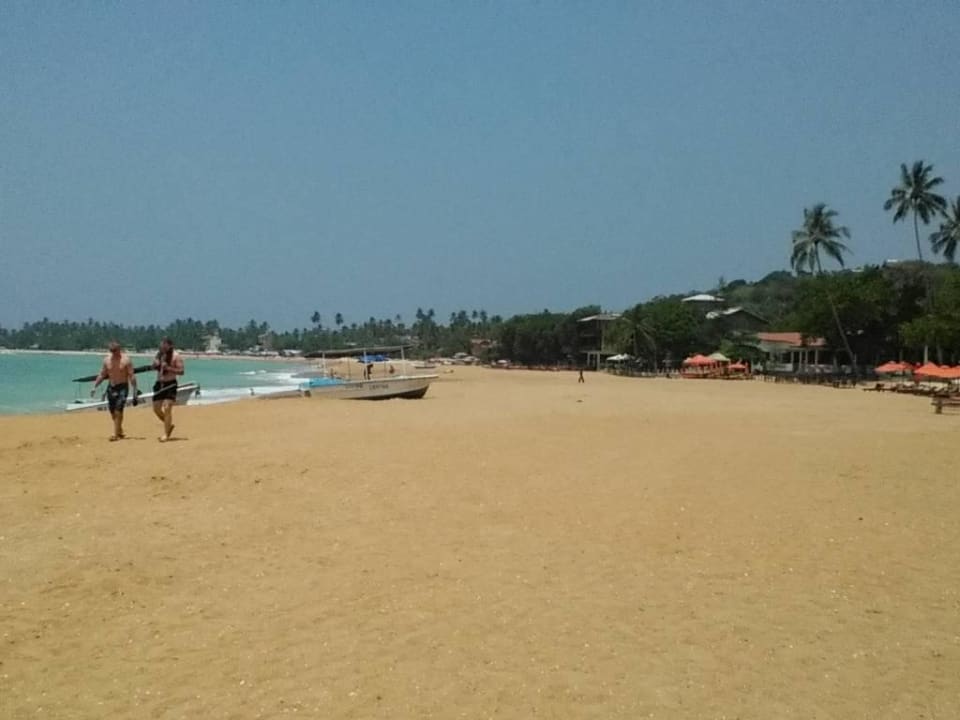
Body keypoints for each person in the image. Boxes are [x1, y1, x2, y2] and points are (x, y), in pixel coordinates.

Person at [91, 340, 138, 441]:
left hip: (123, 387)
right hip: (111, 387)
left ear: (119, 349)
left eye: (115, 350)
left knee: (118, 410)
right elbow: (102, 374)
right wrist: (95, 386)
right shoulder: (107, 360)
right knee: (112, 412)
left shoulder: (126, 360)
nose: (113, 352)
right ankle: (119, 431)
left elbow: (131, 375)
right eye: (111, 350)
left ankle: (115, 435)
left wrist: (135, 390)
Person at [152, 337, 185, 442]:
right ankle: (168, 425)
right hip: (159, 384)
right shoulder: (159, 355)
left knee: (167, 408)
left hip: (170, 384)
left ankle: (166, 434)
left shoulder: (176, 356)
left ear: (170, 346)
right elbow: (154, 366)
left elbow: (181, 371)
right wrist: (155, 365)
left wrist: (169, 368)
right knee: (156, 409)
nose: (163, 348)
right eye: (161, 346)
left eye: (164, 346)